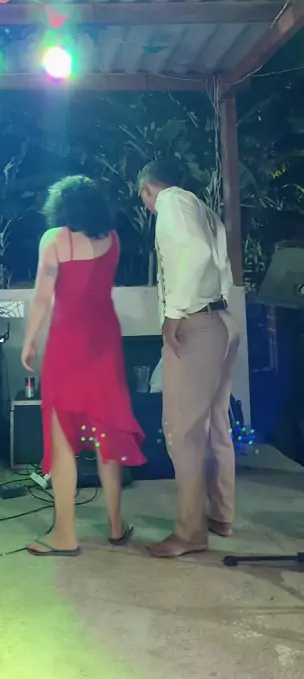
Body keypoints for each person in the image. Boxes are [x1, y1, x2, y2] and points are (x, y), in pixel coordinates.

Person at [21, 176, 145, 556]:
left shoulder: (54, 239)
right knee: (107, 430)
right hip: (105, 340)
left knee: (61, 435)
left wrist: (29, 339)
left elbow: (43, 297)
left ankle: (65, 534)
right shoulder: (112, 239)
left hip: (68, 342)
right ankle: (115, 526)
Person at [138, 160, 240, 558]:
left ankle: (190, 532)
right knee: (215, 421)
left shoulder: (170, 204)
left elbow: (195, 255)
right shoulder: (199, 206)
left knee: (181, 429)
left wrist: (175, 313)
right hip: (222, 318)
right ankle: (221, 514)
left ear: (147, 189)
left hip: (197, 324)